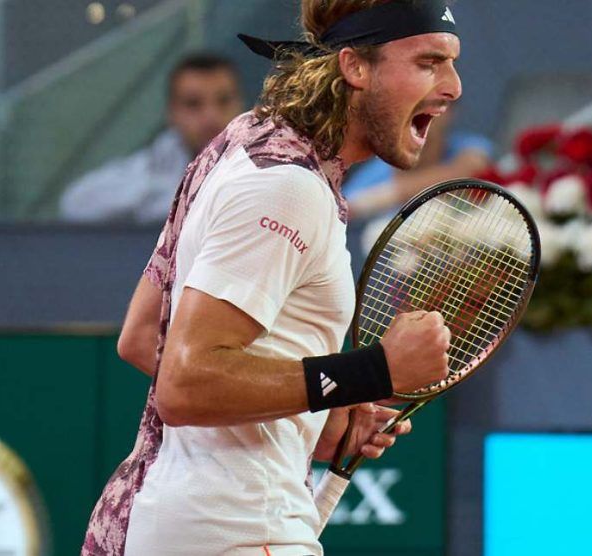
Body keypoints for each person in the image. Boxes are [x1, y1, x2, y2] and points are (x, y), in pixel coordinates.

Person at [83, 1, 460, 554]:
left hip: (190, 520)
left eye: (451, 63)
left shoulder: (246, 139)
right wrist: (371, 371)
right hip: (235, 528)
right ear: (355, 67)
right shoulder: (287, 187)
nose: (452, 87)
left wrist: (318, 417)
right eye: (428, 63)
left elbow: (143, 338)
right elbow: (183, 384)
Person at [59, 53, 244, 223]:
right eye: (193, 104)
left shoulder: (259, 162)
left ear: (242, 106)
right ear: (171, 114)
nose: (211, 117)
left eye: (224, 101)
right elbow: (76, 203)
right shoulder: (152, 168)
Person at [344, 109, 492, 218]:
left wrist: (391, 193)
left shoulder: (469, 146)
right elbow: (348, 208)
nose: (421, 116)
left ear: (449, 112)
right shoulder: (378, 168)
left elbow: (473, 168)